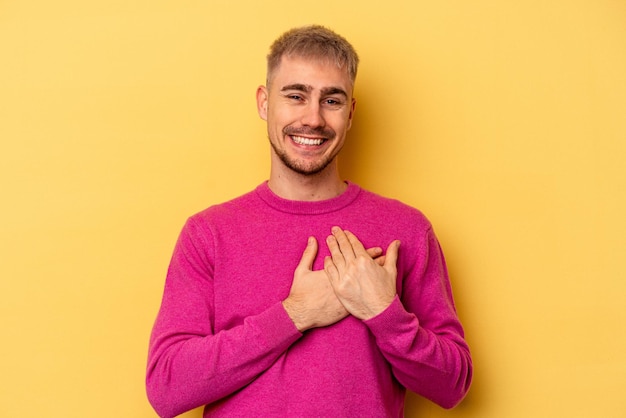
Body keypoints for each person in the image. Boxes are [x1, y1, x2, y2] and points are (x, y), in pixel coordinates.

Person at [146, 25, 472, 418]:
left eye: (331, 100)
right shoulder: (209, 233)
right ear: (265, 103)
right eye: (296, 96)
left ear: (350, 113)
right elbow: (166, 388)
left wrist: (384, 312)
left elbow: (452, 386)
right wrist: (295, 313)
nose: (313, 119)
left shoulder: (405, 229)